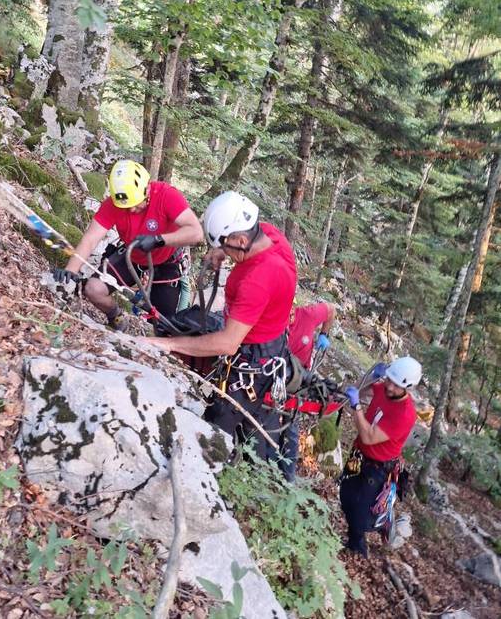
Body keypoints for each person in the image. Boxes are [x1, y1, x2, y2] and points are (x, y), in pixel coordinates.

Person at [145, 190, 298, 460]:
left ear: (241, 240)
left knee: (215, 435)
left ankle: (214, 473)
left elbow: (227, 343)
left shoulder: (259, 279)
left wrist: (166, 344)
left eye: (226, 246)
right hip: (269, 344)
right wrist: (220, 249)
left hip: (253, 363)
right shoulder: (269, 234)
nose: (225, 251)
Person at [53, 160, 204, 330]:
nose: (131, 210)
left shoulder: (167, 196)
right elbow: (90, 239)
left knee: (163, 324)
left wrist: (158, 240)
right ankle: (115, 316)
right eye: (126, 206)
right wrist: (71, 269)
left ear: (146, 189)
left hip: (165, 262)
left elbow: (196, 233)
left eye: (135, 204)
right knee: (94, 289)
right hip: (132, 256)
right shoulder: (114, 204)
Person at [339, 356, 422, 557]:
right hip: (359, 456)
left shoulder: (405, 414)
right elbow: (358, 389)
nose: (390, 387)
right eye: (389, 380)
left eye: (396, 385)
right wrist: (369, 378)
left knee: (363, 515)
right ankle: (355, 542)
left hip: (378, 468)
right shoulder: (385, 388)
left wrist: (356, 407)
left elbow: (368, 437)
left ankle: (362, 545)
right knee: (346, 496)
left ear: (408, 388)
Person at [275, 300, 336, 481]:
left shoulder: (308, 316)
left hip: (300, 377)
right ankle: (267, 462)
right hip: (275, 372)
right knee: (268, 418)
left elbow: (331, 309)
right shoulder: (274, 320)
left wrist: (324, 334)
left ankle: (287, 476)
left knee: (291, 424)